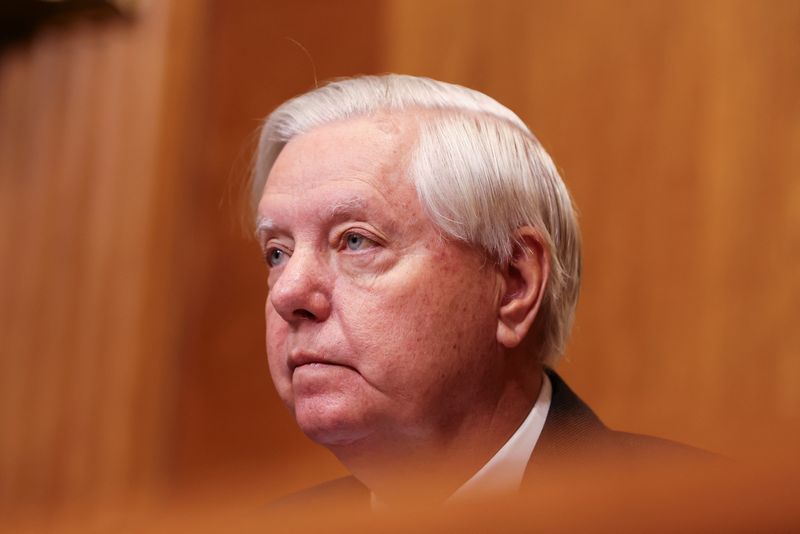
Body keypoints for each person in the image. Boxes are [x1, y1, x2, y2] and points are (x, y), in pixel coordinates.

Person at [250, 74, 696, 509]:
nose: (287, 292)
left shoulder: (700, 513)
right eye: (277, 253)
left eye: (355, 241)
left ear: (514, 285)